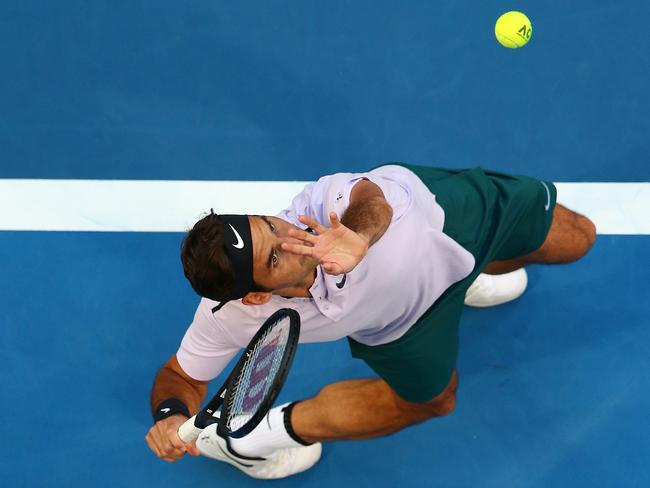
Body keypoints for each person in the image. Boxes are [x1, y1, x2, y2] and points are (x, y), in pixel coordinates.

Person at [145, 163, 596, 479]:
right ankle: (254, 441)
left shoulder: (323, 204)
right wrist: (170, 415)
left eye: (271, 224)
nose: (293, 235)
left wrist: (358, 236)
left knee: (578, 240)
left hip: (455, 222)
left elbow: (371, 201)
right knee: (435, 401)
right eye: (276, 254)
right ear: (258, 294)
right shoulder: (231, 317)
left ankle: (466, 275)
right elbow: (179, 376)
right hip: (402, 324)